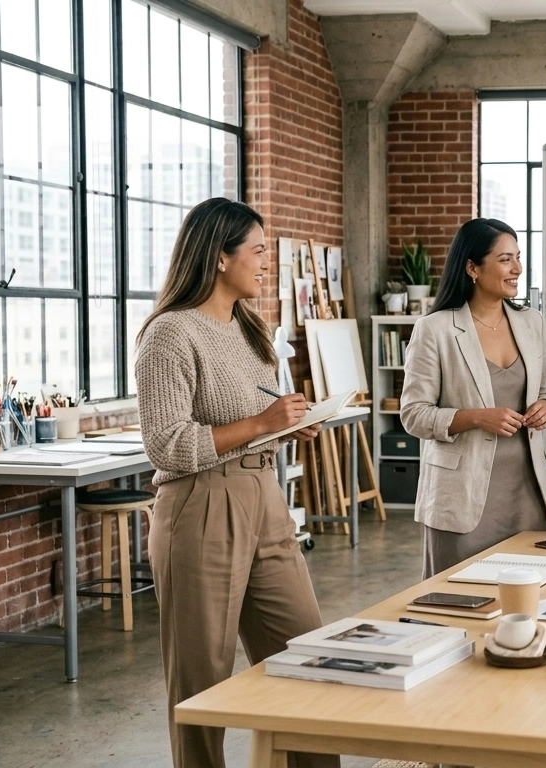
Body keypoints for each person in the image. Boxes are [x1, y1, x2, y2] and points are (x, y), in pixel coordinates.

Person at [135, 198, 337, 768]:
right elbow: (166, 444)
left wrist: (287, 427)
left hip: (263, 497)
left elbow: (254, 423)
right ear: (220, 257)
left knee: (306, 655)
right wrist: (261, 425)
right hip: (199, 504)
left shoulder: (252, 330)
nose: (266, 262)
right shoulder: (169, 334)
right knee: (200, 681)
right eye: (258, 251)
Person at [400, 218, 546, 578]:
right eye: (505, 259)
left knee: (527, 599)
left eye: (518, 257)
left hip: (526, 495)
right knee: (457, 599)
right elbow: (414, 414)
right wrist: (476, 417)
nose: (517, 268)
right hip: (462, 499)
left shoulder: (532, 323)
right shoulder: (435, 329)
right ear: (472, 268)